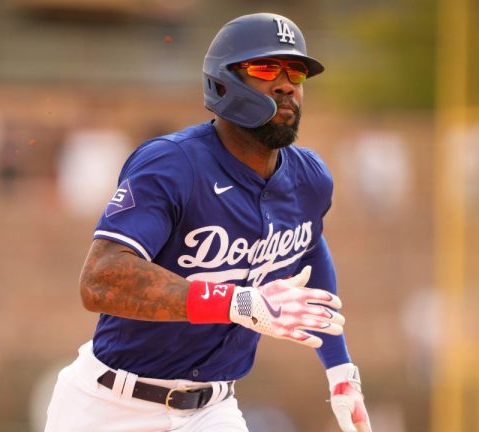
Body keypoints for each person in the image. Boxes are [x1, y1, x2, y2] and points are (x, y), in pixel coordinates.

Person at [45, 12, 372, 432]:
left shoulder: (309, 178)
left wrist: (340, 371)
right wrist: (238, 303)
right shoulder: (173, 163)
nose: (286, 83)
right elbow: (100, 280)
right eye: (265, 67)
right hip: (109, 405)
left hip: (210, 411)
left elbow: (308, 248)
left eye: (296, 72)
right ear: (223, 81)